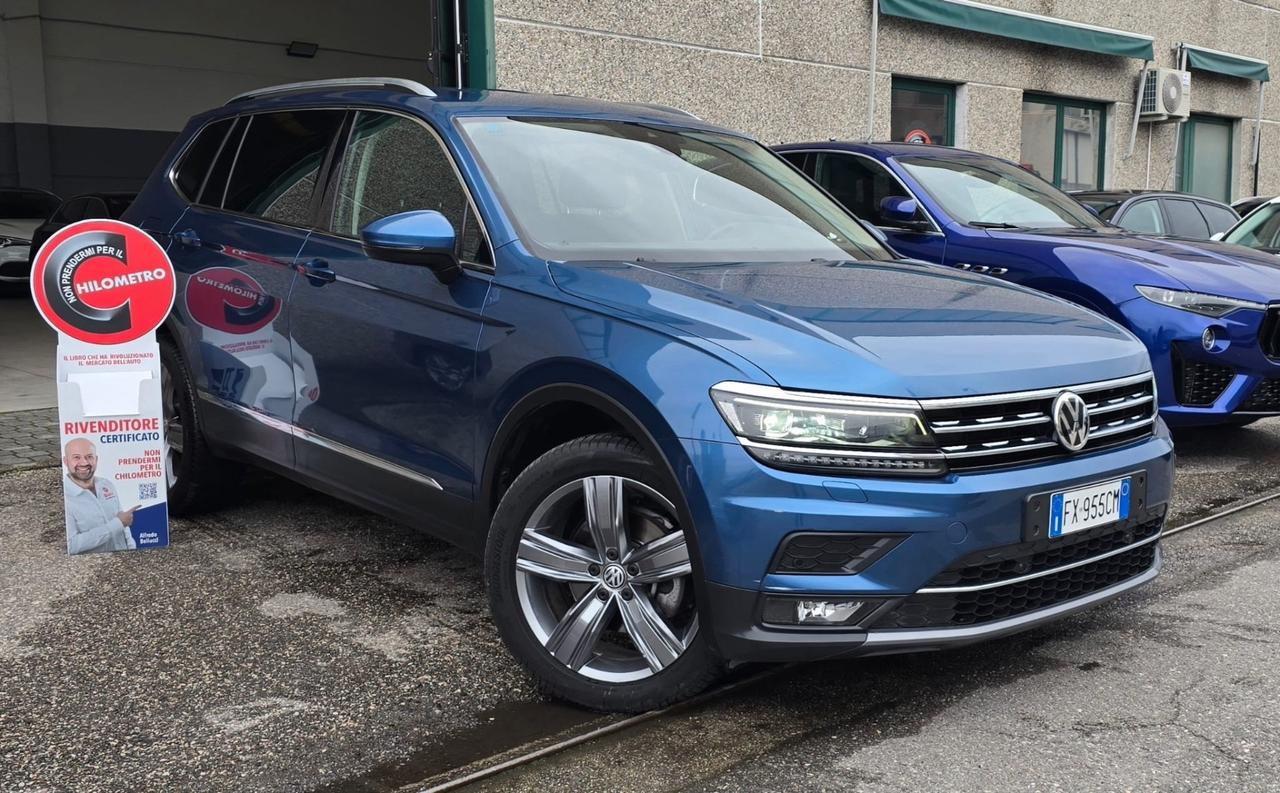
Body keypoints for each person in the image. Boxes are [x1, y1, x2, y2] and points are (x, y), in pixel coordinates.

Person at [62, 437, 137, 554]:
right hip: (95, 567)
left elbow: (123, 525)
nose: (84, 462)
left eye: (89, 457)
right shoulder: (66, 497)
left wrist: (132, 550)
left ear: (96, 459)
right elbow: (72, 545)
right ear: (66, 461)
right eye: (76, 457)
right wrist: (117, 524)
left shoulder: (106, 485)